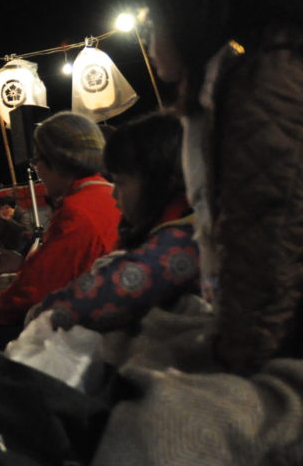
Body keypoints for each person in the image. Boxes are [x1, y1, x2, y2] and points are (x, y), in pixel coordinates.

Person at [86, 0, 303, 466]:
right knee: (140, 355)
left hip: (284, 339)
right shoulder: (234, 88)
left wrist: (230, 367)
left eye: (157, 19)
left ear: (203, 10)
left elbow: (268, 257)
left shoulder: (262, 88)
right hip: (275, 327)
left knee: (152, 420)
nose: (149, 41)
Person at [0, 112, 121, 371]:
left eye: (39, 160)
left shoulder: (78, 210)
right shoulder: (107, 194)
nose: (37, 169)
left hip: (94, 326)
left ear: (58, 162)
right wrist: (21, 263)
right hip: (106, 308)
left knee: (4, 331)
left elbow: (37, 287)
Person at [24, 113, 199, 332]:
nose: (114, 195)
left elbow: (104, 295)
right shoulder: (173, 230)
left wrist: (40, 314)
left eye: (121, 182)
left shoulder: (185, 241)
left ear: (158, 181)